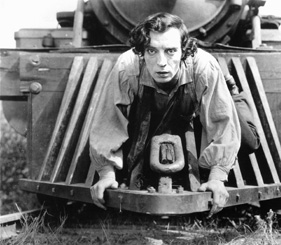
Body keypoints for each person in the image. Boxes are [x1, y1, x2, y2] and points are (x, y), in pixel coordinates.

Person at [89, 12, 241, 215]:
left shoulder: (205, 67)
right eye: (152, 51)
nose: (161, 62)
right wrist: (106, 174)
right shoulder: (127, 66)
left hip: (194, 121)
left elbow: (222, 121)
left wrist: (217, 178)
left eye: (170, 51)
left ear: (184, 51)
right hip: (142, 122)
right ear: (141, 51)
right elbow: (109, 120)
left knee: (248, 138)